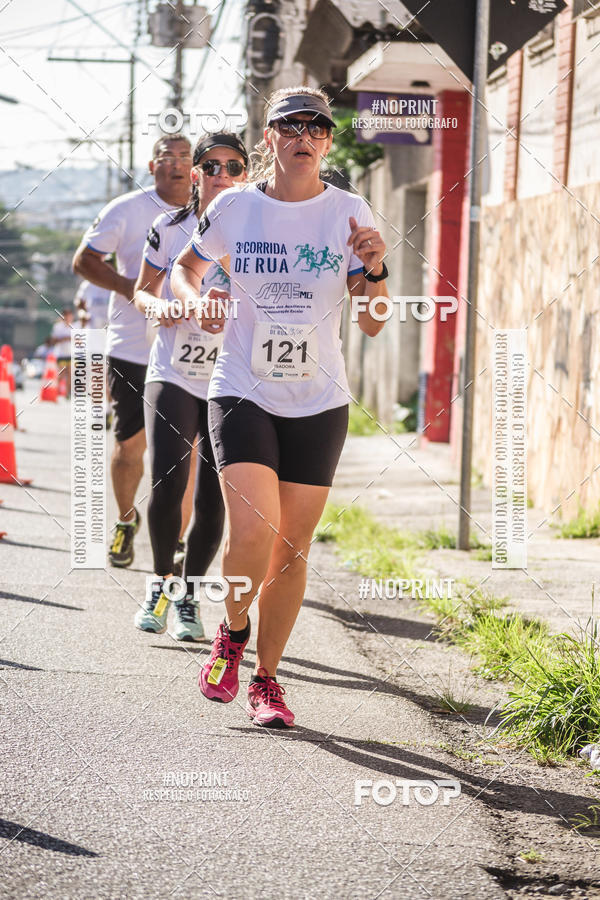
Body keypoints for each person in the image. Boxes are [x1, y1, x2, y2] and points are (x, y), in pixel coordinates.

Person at [171, 87, 389, 727]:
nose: (303, 135)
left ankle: (268, 681)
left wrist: (375, 270)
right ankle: (231, 634)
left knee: (292, 549)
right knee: (252, 532)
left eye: (316, 126)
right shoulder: (236, 206)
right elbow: (185, 268)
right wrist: (202, 297)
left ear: (328, 140)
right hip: (242, 387)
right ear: (268, 139)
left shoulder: (349, 209)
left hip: (319, 400)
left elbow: (374, 322)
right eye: (289, 125)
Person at [132, 132, 248, 641]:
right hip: (174, 370)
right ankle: (159, 583)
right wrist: (160, 307)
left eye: (233, 166)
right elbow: (141, 290)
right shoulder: (169, 226)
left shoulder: (261, 227)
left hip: (233, 375)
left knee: (215, 493)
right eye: (211, 165)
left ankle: (188, 596)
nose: (221, 174)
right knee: (167, 479)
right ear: (196, 173)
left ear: (246, 173)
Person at [72, 136, 193, 568]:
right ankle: (126, 520)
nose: (176, 166)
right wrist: (132, 288)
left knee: (186, 455)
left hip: (191, 352)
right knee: (130, 449)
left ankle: (176, 543)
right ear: (151, 164)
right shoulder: (126, 209)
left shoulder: (214, 212)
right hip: (133, 347)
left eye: (185, 158)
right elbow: (84, 260)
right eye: (167, 158)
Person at [49, 307, 75, 398]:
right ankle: (57, 391)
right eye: (67, 316)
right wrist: (64, 339)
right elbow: (53, 340)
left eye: (70, 316)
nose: (68, 318)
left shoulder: (75, 326)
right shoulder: (57, 327)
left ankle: (67, 393)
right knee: (61, 374)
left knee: (70, 374)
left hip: (71, 354)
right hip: (60, 354)